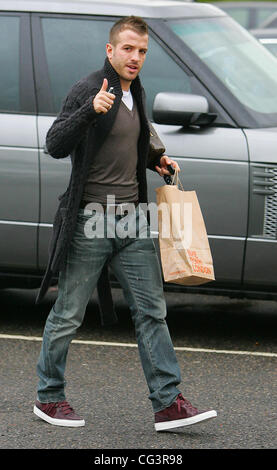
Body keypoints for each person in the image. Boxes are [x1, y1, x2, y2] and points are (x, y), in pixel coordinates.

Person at [33, 16, 217, 431]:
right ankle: (49, 397)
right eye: (129, 49)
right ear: (110, 50)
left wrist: (157, 161)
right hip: (91, 219)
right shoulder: (90, 89)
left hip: (133, 220)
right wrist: (88, 111)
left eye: (143, 51)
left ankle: (168, 403)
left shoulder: (136, 91)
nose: (136, 58)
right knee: (67, 314)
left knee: (152, 311)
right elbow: (54, 144)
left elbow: (132, 142)